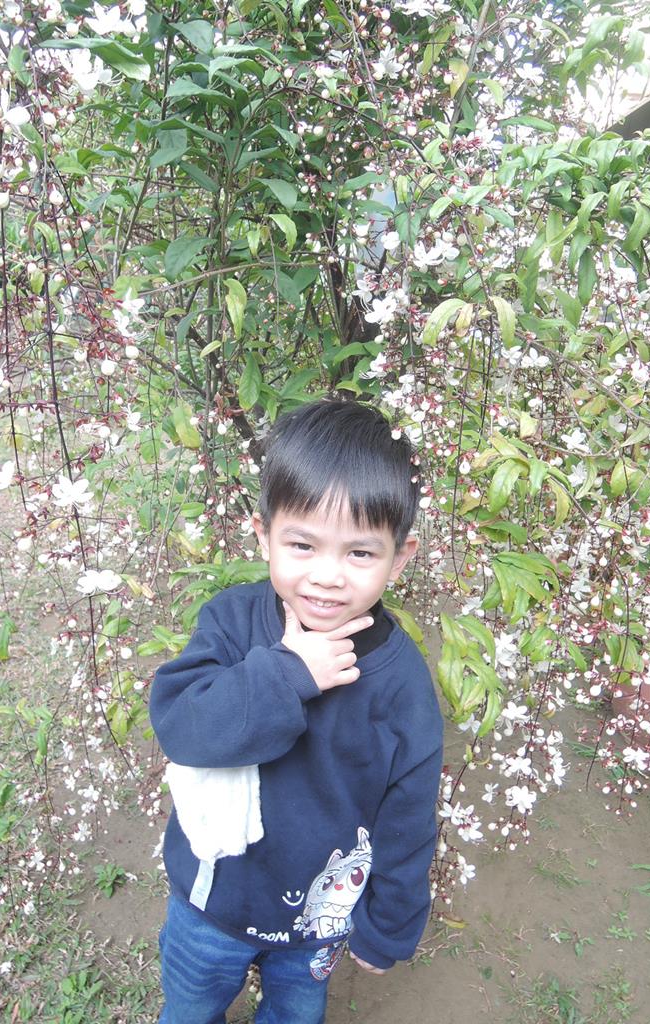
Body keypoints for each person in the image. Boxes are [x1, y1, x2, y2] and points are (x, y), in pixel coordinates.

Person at [150, 398, 443, 1024]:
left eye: (360, 553)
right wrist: (289, 673)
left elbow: (410, 813)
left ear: (400, 555)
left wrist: (389, 923)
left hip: (317, 919)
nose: (328, 576)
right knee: (191, 1009)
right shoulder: (233, 622)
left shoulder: (402, 684)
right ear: (264, 536)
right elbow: (182, 727)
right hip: (212, 903)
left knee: (296, 1013)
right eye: (303, 545)